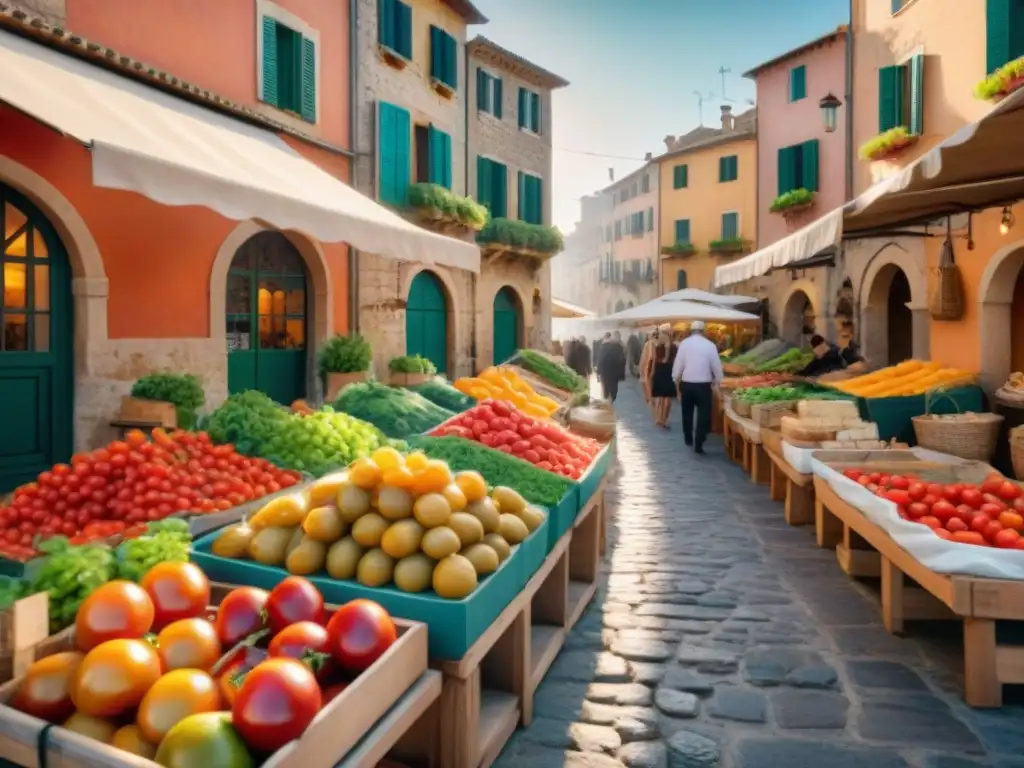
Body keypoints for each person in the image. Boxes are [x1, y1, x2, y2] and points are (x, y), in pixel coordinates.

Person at [672, 320, 724, 454]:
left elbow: (679, 362)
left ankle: (688, 438)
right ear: (703, 331)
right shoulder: (710, 345)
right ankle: (699, 442)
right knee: (703, 414)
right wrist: (719, 380)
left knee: (687, 413)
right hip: (703, 385)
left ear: (691, 331)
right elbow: (716, 366)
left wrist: (675, 376)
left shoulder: (684, 344)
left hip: (687, 383)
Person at [647, 332, 677, 428]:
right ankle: (658, 419)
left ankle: (664, 419)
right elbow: (656, 360)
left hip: (669, 373)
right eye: (661, 337)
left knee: (667, 401)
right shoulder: (657, 347)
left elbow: (668, 360)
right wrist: (652, 372)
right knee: (659, 399)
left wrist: (667, 349)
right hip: (659, 372)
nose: (662, 339)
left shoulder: (674, 347)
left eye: (664, 337)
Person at [598, 331, 627, 402]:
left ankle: (608, 404)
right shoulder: (619, 347)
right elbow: (622, 361)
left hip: (605, 373)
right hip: (614, 374)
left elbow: (600, 361)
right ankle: (611, 404)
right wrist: (621, 375)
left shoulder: (603, 346)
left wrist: (598, 372)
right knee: (614, 392)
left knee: (606, 392)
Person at [638, 332, 656, 404]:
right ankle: (649, 399)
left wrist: (641, 368)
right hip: (650, 367)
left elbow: (645, 358)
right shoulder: (650, 344)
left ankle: (649, 399)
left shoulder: (648, 344)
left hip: (648, 367)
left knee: (647, 384)